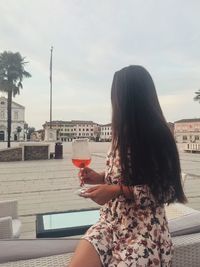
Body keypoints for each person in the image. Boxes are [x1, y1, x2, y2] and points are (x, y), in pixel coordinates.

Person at [69, 65, 187, 267]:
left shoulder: (158, 135)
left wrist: (117, 190)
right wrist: (100, 177)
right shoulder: (119, 134)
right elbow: (125, 174)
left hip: (144, 230)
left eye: (116, 95)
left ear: (130, 98)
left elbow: (168, 190)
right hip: (110, 224)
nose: (113, 101)